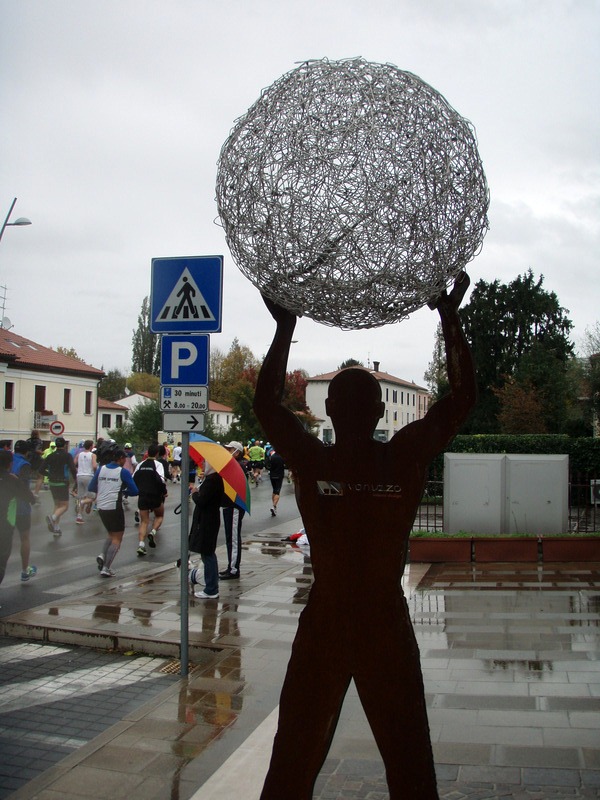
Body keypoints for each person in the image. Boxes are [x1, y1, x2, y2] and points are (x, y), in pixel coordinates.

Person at [253, 272, 476, 800]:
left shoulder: (313, 459)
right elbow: (462, 397)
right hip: (382, 621)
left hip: (326, 619)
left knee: (291, 766)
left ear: (328, 412)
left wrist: (285, 328)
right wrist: (448, 317)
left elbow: (267, 407)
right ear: (381, 413)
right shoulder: (400, 458)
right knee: (410, 768)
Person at [88, 448, 139, 577]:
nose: (125, 461)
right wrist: (123, 491)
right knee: (117, 538)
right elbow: (134, 491)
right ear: (121, 459)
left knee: (111, 534)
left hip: (101, 506)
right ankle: (106, 567)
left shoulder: (101, 469)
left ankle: (103, 555)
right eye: (124, 459)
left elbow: (91, 487)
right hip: (114, 506)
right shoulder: (123, 472)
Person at [188, 461, 224, 599]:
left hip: (207, 522)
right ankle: (211, 586)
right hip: (209, 520)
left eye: (204, 463)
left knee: (207, 553)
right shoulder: (211, 479)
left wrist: (195, 493)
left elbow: (202, 501)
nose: (202, 466)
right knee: (208, 553)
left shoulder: (212, 481)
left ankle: (211, 588)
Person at [219, 441, 248, 580]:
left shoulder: (238, 466)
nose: (227, 450)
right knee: (230, 537)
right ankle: (231, 566)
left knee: (234, 538)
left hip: (235, 505)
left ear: (236, 452)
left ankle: (234, 569)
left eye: (230, 449)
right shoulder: (232, 465)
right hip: (228, 504)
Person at [133, 444, 167, 557]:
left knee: (144, 521)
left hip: (142, 496)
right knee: (159, 516)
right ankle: (153, 532)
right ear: (157, 454)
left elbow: (134, 479)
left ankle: (141, 545)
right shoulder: (158, 465)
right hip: (155, 495)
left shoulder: (140, 465)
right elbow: (161, 481)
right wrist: (164, 492)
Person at [10, 441, 38, 581]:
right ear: (27, 452)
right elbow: (23, 486)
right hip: (21, 507)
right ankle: (24, 570)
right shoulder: (25, 464)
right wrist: (32, 498)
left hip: (5, 504)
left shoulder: (8, 460)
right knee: (24, 537)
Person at [41, 437, 77, 536]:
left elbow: (41, 470)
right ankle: (52, 518)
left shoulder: (50, 456)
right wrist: (75, 479)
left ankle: (56, 528)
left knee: (57, 505)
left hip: (52, 483)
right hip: (62, 482)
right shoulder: (67, 456)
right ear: (65, 445)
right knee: (65, 506)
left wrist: (49, 475)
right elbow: (73, 468)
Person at [73, 440, 97, 524]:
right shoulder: (93, 455)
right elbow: (94, 466)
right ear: (91, 446)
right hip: (89, 476)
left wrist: (78, 469)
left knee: (81, 496)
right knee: (92, 497)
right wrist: (95, 471)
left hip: (79, 476)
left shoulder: (79, 455)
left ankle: (79, 516)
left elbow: (74, 464)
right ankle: (84, 503)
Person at [267, 449, 285, 517]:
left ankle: (274, 507)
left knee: (274, 490)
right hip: (279, 475)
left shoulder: (272, 456)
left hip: (272, 475)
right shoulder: (282, 457)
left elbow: (267, 465)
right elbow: (286, 465)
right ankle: (273, 506)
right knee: (277, 491)